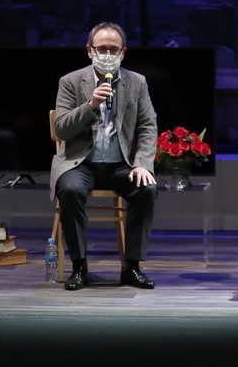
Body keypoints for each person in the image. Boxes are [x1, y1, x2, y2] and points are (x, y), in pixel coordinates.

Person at [51, 22, 159, 291]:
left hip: (120, 164)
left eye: (114, 49)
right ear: (90, 51)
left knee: (146, 190)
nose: (107, 54)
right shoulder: (71, 81)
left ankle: (132, 266)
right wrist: (91, 106)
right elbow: (60, 127)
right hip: (81, 162)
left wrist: (143, 164)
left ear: (123, 52)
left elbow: (148, 126)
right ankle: (79, 266)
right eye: (102, 49)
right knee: (71, 189)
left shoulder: (137, 82)